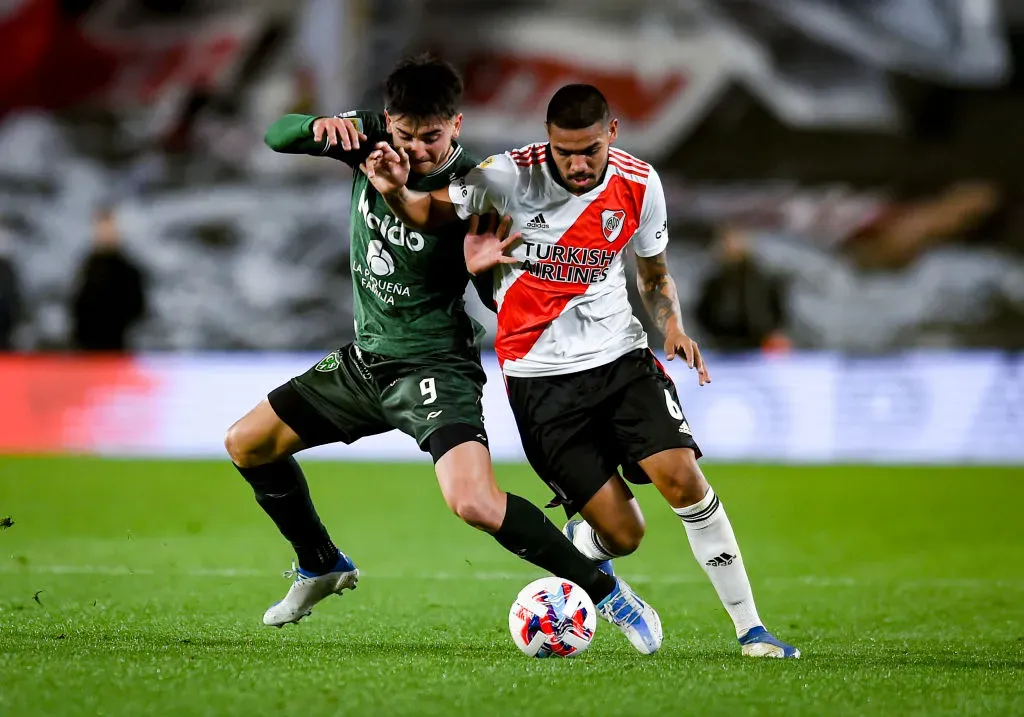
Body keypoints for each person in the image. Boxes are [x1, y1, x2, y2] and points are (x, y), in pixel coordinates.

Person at [224, 58, 662, 654]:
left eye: (432, 137)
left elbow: (494, 290)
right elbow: (277, 134)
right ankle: (320, 563)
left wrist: (482, 273)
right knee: (246, 443)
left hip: (434, 366)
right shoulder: (371, 142)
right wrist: (320, 126)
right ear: (388, 123)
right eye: (405, 136)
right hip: (366, 361)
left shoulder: (479, 186)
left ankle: (605, 589)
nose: (418, 150)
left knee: (474, 502)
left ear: (456, 125)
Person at [363, 83, 800, 658]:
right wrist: (395, 192)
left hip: (621, 359)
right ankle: (587, 538)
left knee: (683, 479)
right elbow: (427, 213)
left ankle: (752, 630)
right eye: (563, 150)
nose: (575, 163)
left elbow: (653, 273)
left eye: (589, 150)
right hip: (538, 380)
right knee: (626, 535)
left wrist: (671, 326)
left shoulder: (640, 184)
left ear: (611, 135)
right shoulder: (504, 177)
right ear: (547, 140)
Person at [695, 225, 791, 353]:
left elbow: (778, 307)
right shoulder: (715, 279)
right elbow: (703, 310)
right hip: (722, 344)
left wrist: (772, 331)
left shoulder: (763, 277)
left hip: (759, 343)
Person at [70, 207, 147, 352]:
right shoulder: (87, 267)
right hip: (88, 347)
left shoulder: (128, 269)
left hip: (119, 344)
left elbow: (137, 307)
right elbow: (77, 304)